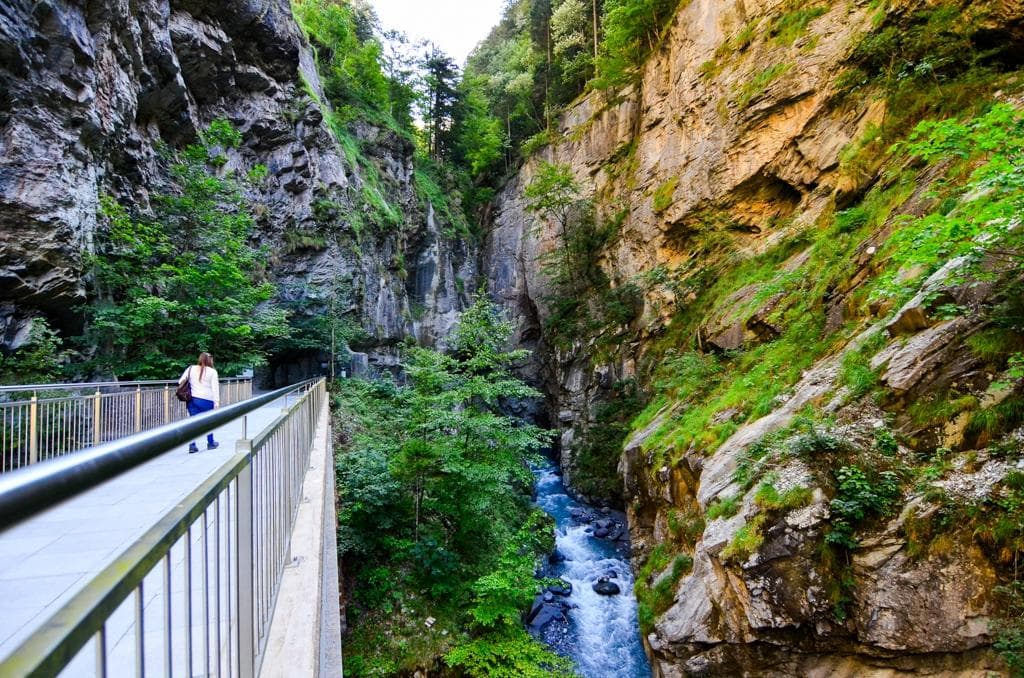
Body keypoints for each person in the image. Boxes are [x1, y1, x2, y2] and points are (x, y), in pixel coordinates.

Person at [179, 352, 220, 453]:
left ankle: (192, 446)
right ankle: (210, 443)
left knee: (193, 422)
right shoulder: (212, 372)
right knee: (208, 422)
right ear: (209, 360)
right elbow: (215, 388)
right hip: (207, 400)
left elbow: (180, 381)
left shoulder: (191, 368)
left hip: (192, 400)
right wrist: (217, 402)